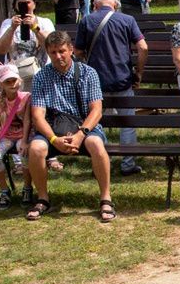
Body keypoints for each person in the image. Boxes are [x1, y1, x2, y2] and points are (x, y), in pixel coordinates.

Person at [25, 31, 114, 223]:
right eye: (53, 52)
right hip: (53, 129)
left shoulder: (88, 73)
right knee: (36, 148)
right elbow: (37, 116)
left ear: (71, 49)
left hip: (84, 127)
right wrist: (54, 140)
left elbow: (96, 111)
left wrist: (80, 135)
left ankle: (106, 198)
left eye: (62, 51)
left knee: (96, 145)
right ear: (48, 53)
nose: (58, 56)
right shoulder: (41, 77)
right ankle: (42, 198)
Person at [75, 0, 148, 176]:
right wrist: (138, 72)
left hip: (96, 83)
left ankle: (101, 161)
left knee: (97, 124)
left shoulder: (86, 21)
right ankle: (127, 164)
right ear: (114, 4)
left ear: (96, 5)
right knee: (127, 122)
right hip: (122, 79)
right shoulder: (127, 20)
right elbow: (143, 47)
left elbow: (77, 51)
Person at [0, 63, 32, 207]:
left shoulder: (26, 97)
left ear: (19, 80)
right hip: (5, 136)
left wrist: (25, 140)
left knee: (24, 153)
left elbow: (27, 121)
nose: (12, 84)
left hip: (21, 136)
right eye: (8, 81)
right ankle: (4, 190)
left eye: (14, 80)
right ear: (1, 84)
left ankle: (27, 187)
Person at [0, 0, 56, 84]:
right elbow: (1, 49)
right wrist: (12, 28)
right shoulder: (8, 23)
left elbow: (52, 46)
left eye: (28, 2)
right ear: (15, 5)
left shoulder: (45, 22)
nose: (25, 6)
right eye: (21, 3)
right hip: (15, 77)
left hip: (42, 74)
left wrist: (35, 28)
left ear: (34, 4)